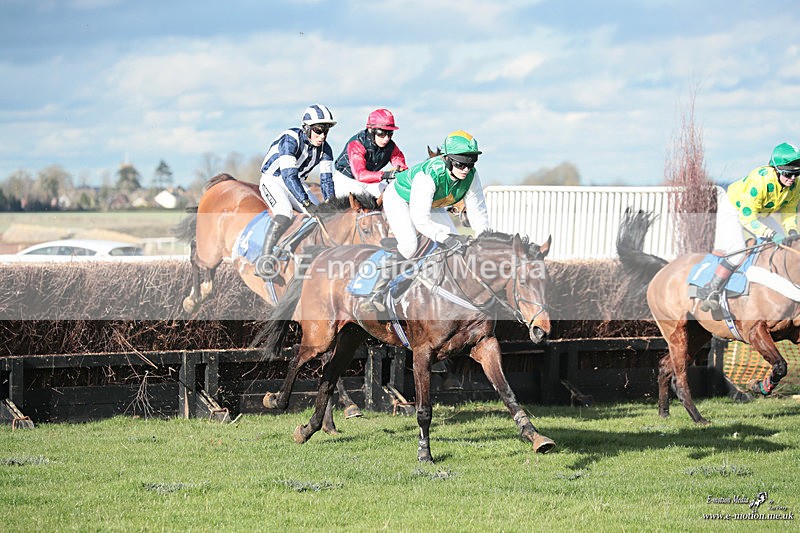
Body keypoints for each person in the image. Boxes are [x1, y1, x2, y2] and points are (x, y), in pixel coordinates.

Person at [359, 130, 490, 314]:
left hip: (432, 203)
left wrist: (484, 238)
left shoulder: (471, 175)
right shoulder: (428, 176)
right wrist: (446, 238)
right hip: (399, 198)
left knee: (454, 245)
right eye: (461, 164)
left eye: (471, 163)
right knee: (409, 246)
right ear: (447, 159)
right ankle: (376, 292)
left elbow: (478, 211)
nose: (466, 169)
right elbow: (421, 220)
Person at [700, 142, 800, 311]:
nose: (792, 179)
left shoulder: (795, 185)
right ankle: (712, 290)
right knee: (737, 253)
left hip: (761, 212)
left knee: (785, 245)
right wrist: (768, 232)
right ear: (775, 169)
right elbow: (747, 217)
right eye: (787, 174)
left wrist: (792, 232)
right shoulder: (759, 180)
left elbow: (789, 213)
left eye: (796, 174)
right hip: (735, 209)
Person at [255, 104, 337, 278]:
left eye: (326, 131)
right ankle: (264, 259)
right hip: (274, 179)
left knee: (323, 216)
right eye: (318, 130)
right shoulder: (290, 139)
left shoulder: (326, 149)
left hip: (296, 182)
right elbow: (288, 175)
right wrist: (306, 202)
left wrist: (332, 205)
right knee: (285, 212)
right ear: (306, 128)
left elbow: (326, 180)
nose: (322, 135)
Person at [332, 108, 408, 198]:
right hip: (347, 179)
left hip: (370, 181)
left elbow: (401, 166)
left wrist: (402, 173)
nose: (386, 139)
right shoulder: (357, 144)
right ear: (371, 130)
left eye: (390, 133)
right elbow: (360, 174)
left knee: (392, 196)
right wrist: (385, 175)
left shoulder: (391, 146)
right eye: (381, 133)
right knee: (363, 204)